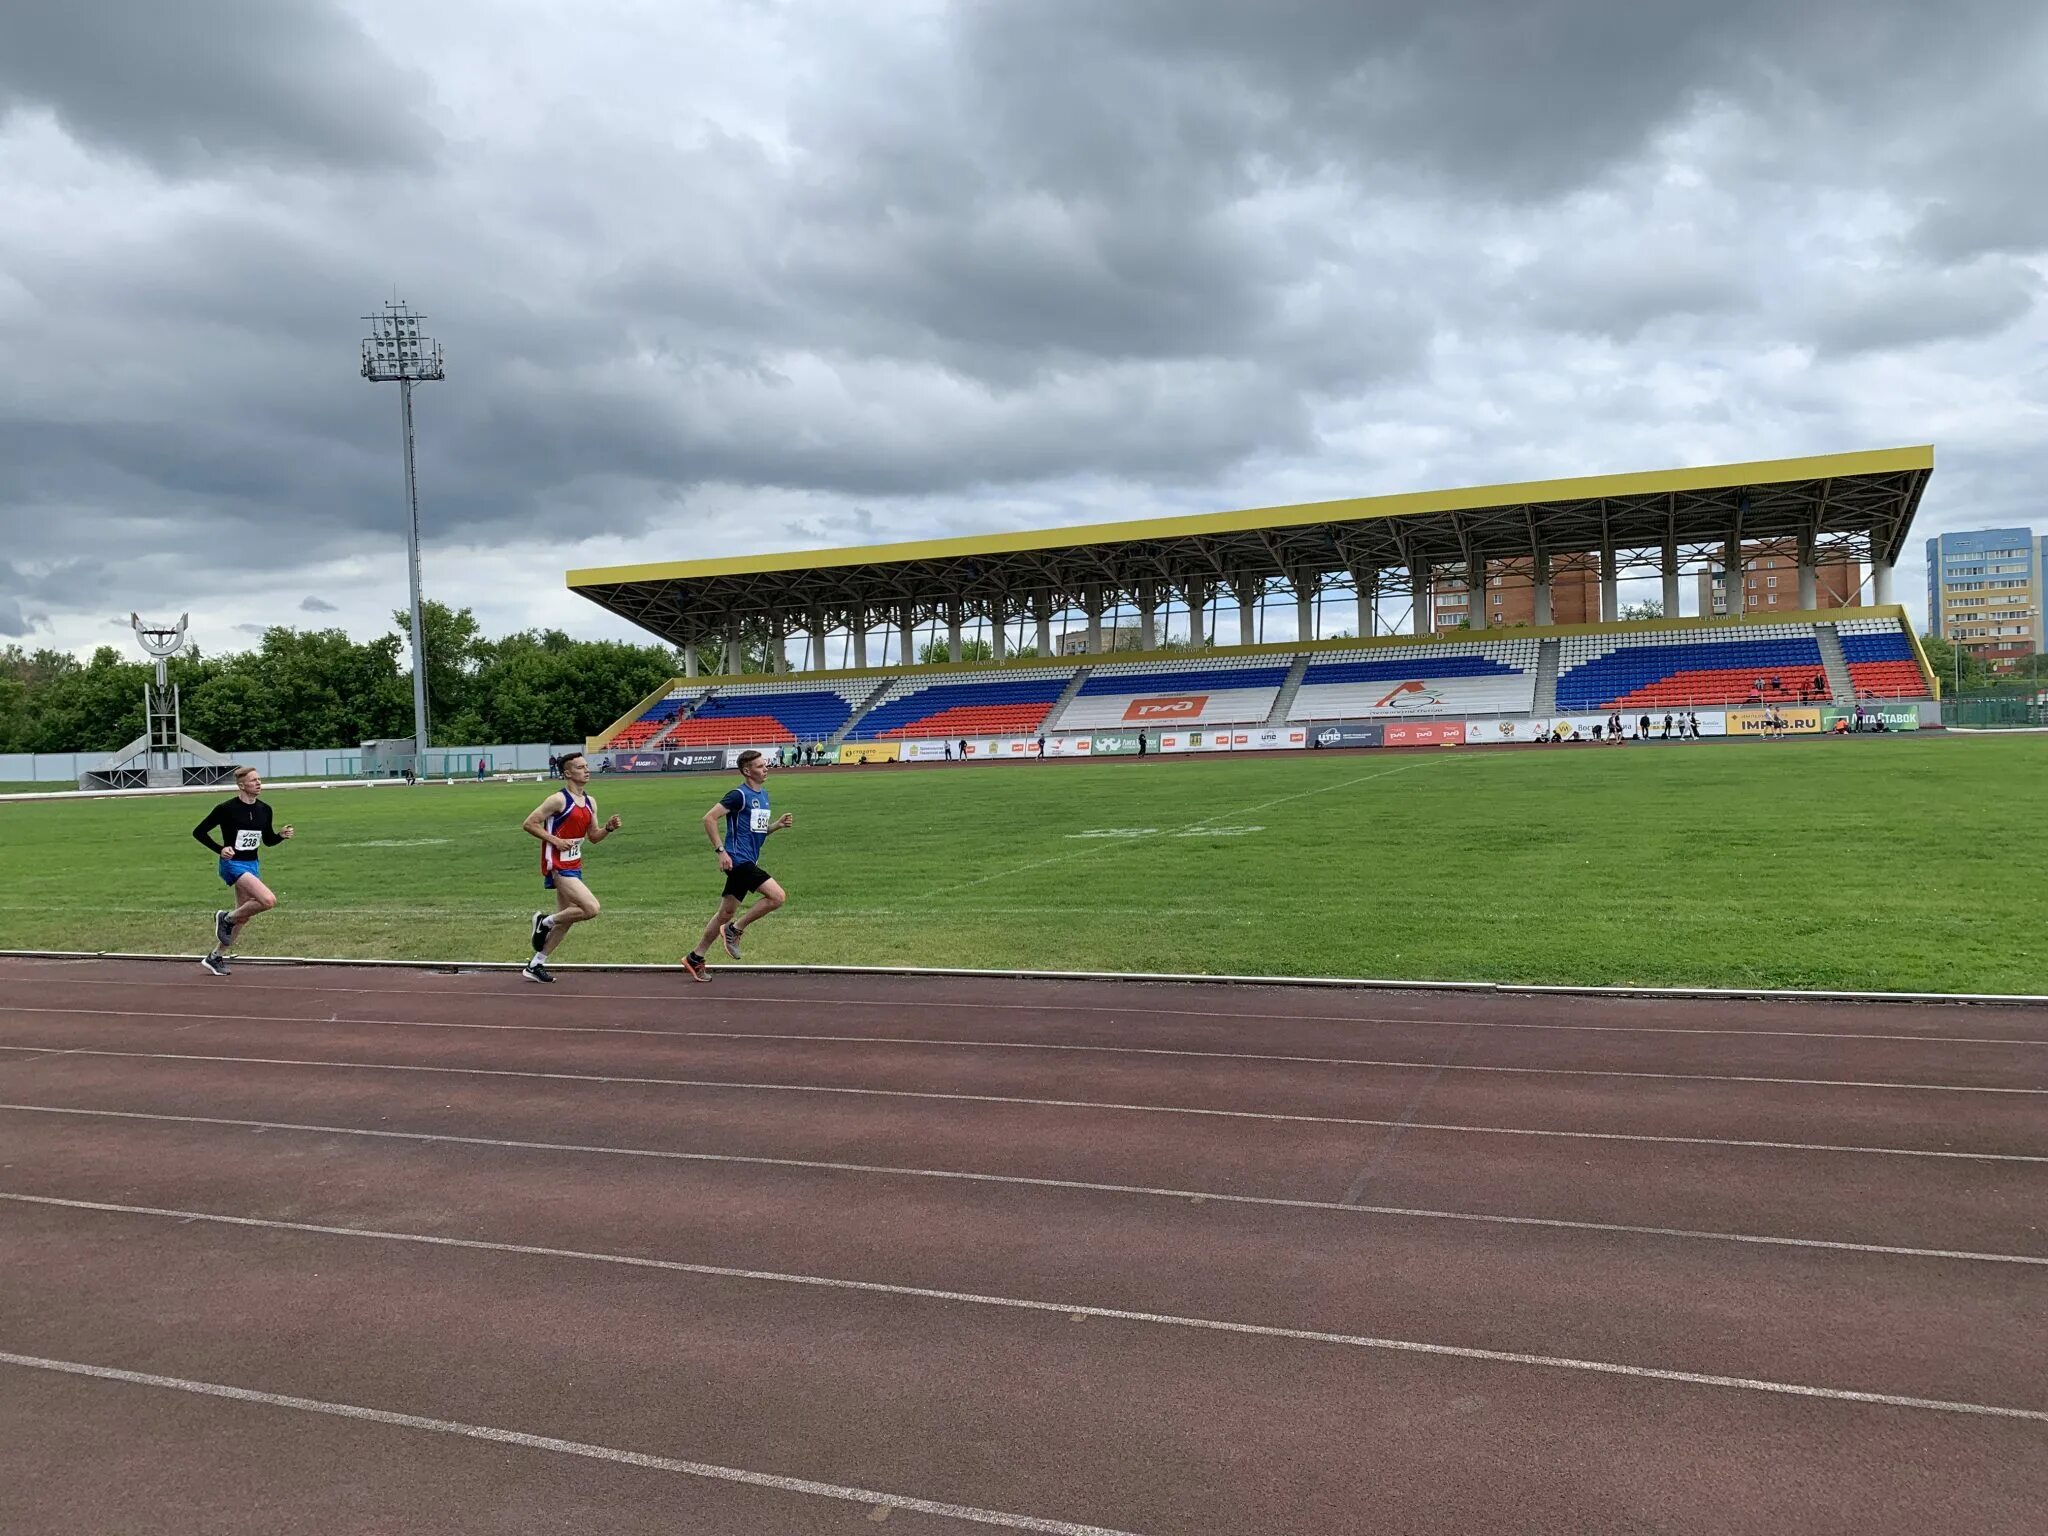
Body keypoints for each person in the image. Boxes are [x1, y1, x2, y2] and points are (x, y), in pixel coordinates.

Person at [682, 748, 795, 981]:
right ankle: (735, 930)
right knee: (777, 897)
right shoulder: (738, 795)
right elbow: (709, 818)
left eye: (765, 765)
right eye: (760, 766)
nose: (766, 769)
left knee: (725, 912)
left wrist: (776, 826)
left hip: (747, 860)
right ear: (747, 770)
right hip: (738, 860)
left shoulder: (763, 795)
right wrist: (721, 851)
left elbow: (758, 832)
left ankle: (696, 956)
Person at [519, 751, 621, 983]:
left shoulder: (590, 801)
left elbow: (593, 837)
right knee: (591, 908)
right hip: (556, 864)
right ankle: (544, 922)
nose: (586, 770)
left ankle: (536, 964)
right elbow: (529, 823)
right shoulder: (558, 800)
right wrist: (555, 840)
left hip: (574, 864)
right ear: (567, 773)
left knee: (568, 919)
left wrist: (609, 828)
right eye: (580, 767)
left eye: (586, 766)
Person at [192, 766, 295, 976]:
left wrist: (280, 836)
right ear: (241, 785)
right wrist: (220, 849)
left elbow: (266, 840)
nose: (258, 783)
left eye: (259, 780)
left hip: (252, 864)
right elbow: (199, 832)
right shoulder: (226, 809)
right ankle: (225, 918)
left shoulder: (265, 809)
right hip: (233, 865)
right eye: (253, 780)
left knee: (244, 915)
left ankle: (215, 956)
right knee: (268, 900)